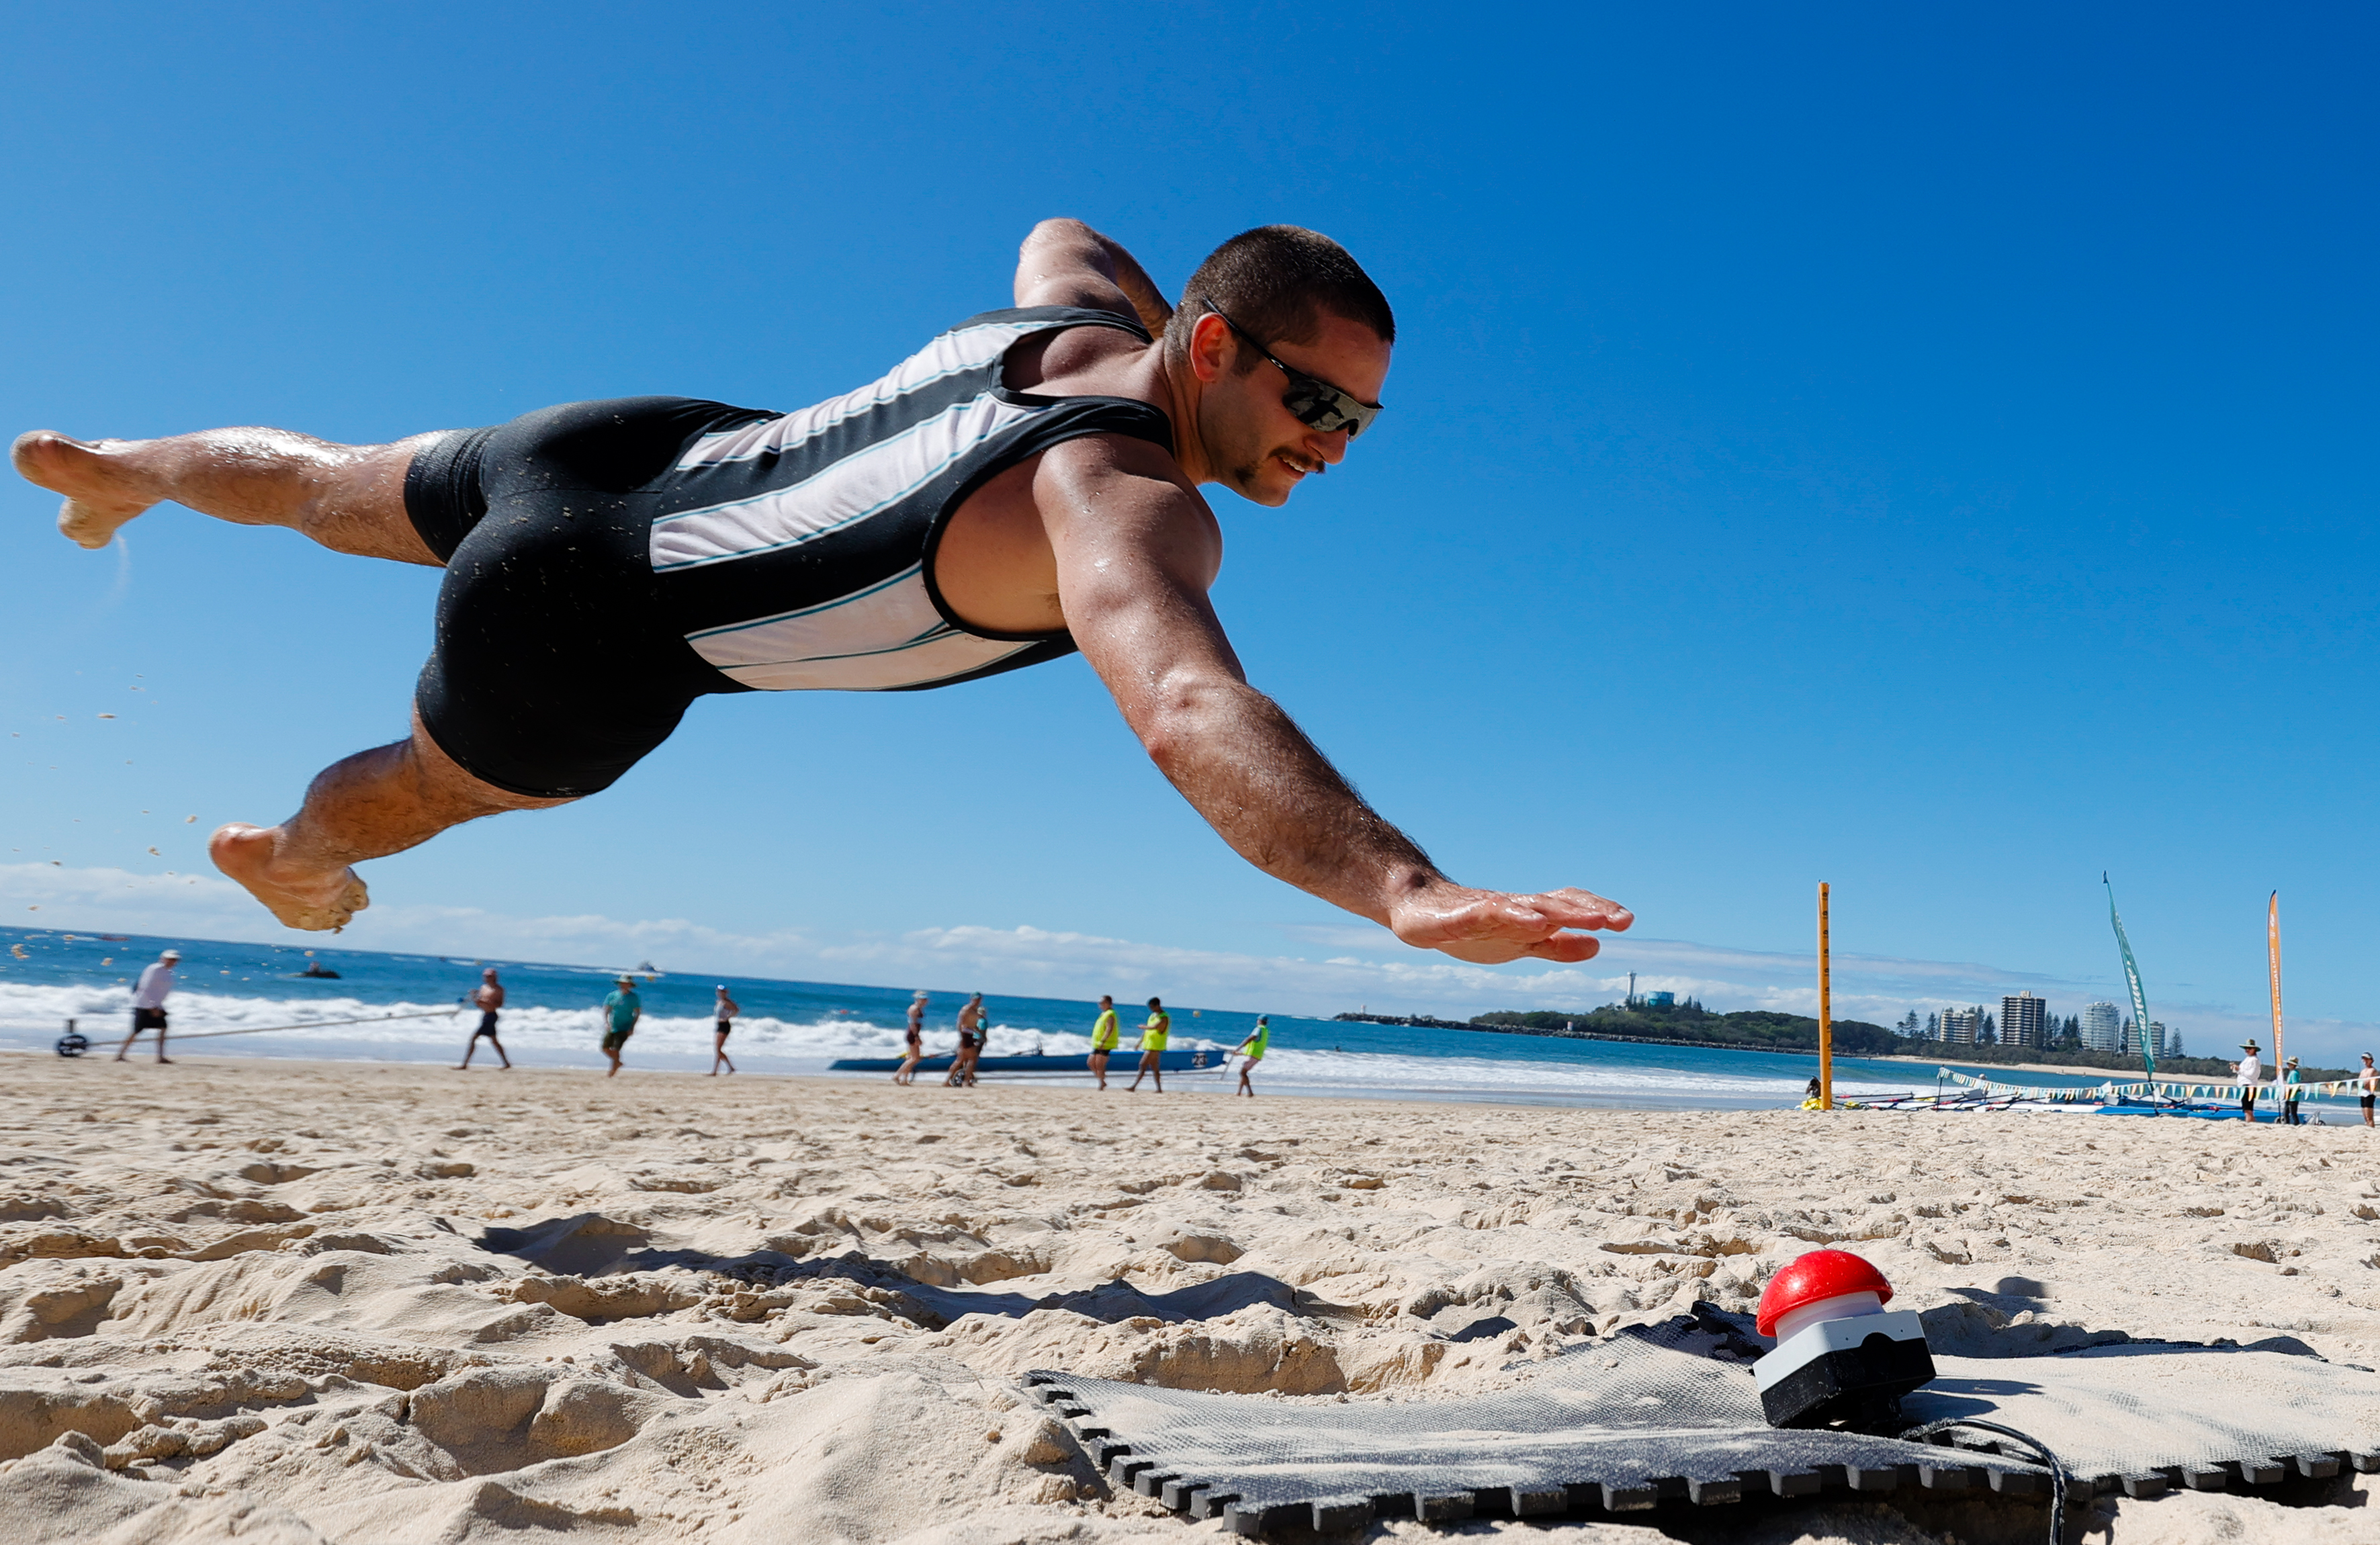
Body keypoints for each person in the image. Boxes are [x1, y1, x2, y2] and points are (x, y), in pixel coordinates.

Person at [17, 224, 1627, 971]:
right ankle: (284, 852)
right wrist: (1402, 890)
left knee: (322, 480)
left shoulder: (1067, 326)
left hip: (630, 443)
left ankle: (132, 469)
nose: (1333, 447)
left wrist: (1164, 318)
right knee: (427, 791)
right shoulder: (1119, 499)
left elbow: (1064, 223)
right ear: (1213, 350)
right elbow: (1189, 703)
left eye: (1358, 420)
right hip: (593, 623)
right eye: (1316, 405)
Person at [114, 950, 182, 1063]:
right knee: (136, 1031)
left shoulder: (168, 972)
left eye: (175, 960)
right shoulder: (155, 969)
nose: (172, 962)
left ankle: (160, 1057)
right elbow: (144, 987)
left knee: (163, 1028)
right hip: (144, 1005)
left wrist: (157, 1005)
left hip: (156, 1005)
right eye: (170, 959)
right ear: (163, 959)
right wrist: (151, 1007)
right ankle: (120, 1055)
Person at [457, 967, 509, 1069]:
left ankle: (465, 1064)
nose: (487, 978)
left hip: (491, 1016)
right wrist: (474, 997)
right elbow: (478, 1004)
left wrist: (486, 1002)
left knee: (474, 1038)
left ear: (494, 977)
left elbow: (499, 1004)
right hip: (486, 1015)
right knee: (494, 1041)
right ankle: (506, 1063)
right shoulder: (483, 988)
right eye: (486, 976)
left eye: (489, 976)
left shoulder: (499, 989)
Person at [601, 975, 642, 1077]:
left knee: (616, 1049)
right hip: (613, 1026)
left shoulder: (633, 997)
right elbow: (606, 1009)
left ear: (630, 985)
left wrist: (632, 1027)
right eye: (622, 983)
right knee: (605, 1048)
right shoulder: (612, 995)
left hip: (625, 1027)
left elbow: (637, 1013)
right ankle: (617, 1062)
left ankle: (612, 1072)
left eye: (626, 983)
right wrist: (606, 1023)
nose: (624, 985)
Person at [1129, 996, 1170, 1092]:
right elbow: (1147, 1032)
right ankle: (1159, 1089)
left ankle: (1134, 1086)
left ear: (1157, 1006)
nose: (1151, 1009)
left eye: (1152, 1007)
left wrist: (1144, 1027)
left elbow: (1156, 1027)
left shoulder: (1164, 1017)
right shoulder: (1152, 1016)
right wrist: (1140, 1042)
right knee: (1155, 1068)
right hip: (1149, 1045)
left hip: (1156, 1046)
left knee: (1143, 1064)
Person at [947, 994, 986, 1087]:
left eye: (979, 999)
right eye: (976, 999)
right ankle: (966, 1081)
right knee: (971, 1058)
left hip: (971, 1034)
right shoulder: (967, 1009)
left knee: (962, 1059)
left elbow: (975, 1024)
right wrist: (962, 1037)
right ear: (972, 999)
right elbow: (960, 1023)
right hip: (966, 1034)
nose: (977, 1001)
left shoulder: (975, 1010)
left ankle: (952, 1081)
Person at [894, 990, 928, 1086]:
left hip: (914, 1033)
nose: (926, 1001)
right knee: (915, 1058)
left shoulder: (918, 1008)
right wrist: (917, 1036)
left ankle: (904, 1079)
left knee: (910, 1058)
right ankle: (897, 1075)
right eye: (924, 999)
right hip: (912, 1034)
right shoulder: (914, 1009)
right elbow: (913, 1024)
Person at [1089, 994, 1121, 1090]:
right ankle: (1102, 1082)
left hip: (1105, 1044)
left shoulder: (1111, 1014)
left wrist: (1103, 1040)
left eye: (1101, 1003)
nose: (1100, 1005)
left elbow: (1109, 1028)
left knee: (1100, 1064)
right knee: (1091, 1062)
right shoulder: (1104, 1014)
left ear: (1107, 1003)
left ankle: (1101, 1085)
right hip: (1098, 1043)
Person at [1235, 1015, 1270, 1096]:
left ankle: (1250, 1092)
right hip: (1258, 1055)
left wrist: (1239, 1048)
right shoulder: (1266, 1031)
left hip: (1253, 1054)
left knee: (1243, 1073)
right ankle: (1239, 1092)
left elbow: (1251, 1038)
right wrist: (1240, 1053)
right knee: (1244, 1072)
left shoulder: (1259, 1029)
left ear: (1260, 1021)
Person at [710, 985, 739, 1075]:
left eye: (722, 992)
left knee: (718, 1049)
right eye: (718, 991)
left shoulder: (727, 1002)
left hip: (725, 1025)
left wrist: (727, 1017)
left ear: (725, 993)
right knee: (718, 1049)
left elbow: (736, 1010)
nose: (720, 993)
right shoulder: (719, 1002)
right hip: (719, 1025)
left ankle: (730, 1067)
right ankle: (716, 1071)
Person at [2235, 1040, 2262, 1121]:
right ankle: (2251, 1122)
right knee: (2246, 1108)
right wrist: (2236, 1069)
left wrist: (2239, 1070)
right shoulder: (2248, 1059)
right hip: (2244, 1085)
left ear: (2254, 1050)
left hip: (2249, 1085)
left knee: (2248, 1109)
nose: (2247, 1050)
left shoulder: (2254, 1060)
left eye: (2249, 1048)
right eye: (2246, 1048)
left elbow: (2252, 1074)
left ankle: (2249, 1123)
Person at [2280, 1055, 2303, 1125]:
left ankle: (2296, 1124)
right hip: (2290, 1095)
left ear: (2293, 1065)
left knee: (2292, 1112)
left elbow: (2294, 1085)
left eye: (2289, 1064)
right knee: (2287, 1111)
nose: (2288, 1065)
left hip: (2293, 1095)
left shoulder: (2294, 1073)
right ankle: (2288, 1123)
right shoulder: (2292, 1072)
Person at [2358, 1052, 2379, 1128]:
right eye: (2364, 1059)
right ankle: (2368, 1128)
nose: (2365, 1061)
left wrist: (2363, 1083)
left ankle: (2371, 1129)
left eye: (2367, 1059)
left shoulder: (2373, 1070)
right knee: (2365, 1117)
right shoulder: (2363, 1071)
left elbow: (2367, 1083)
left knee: (2369, 1117)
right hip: (2363, 1093)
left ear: (2371, 1060)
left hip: (2369, 1093)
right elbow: (2359, 1081)